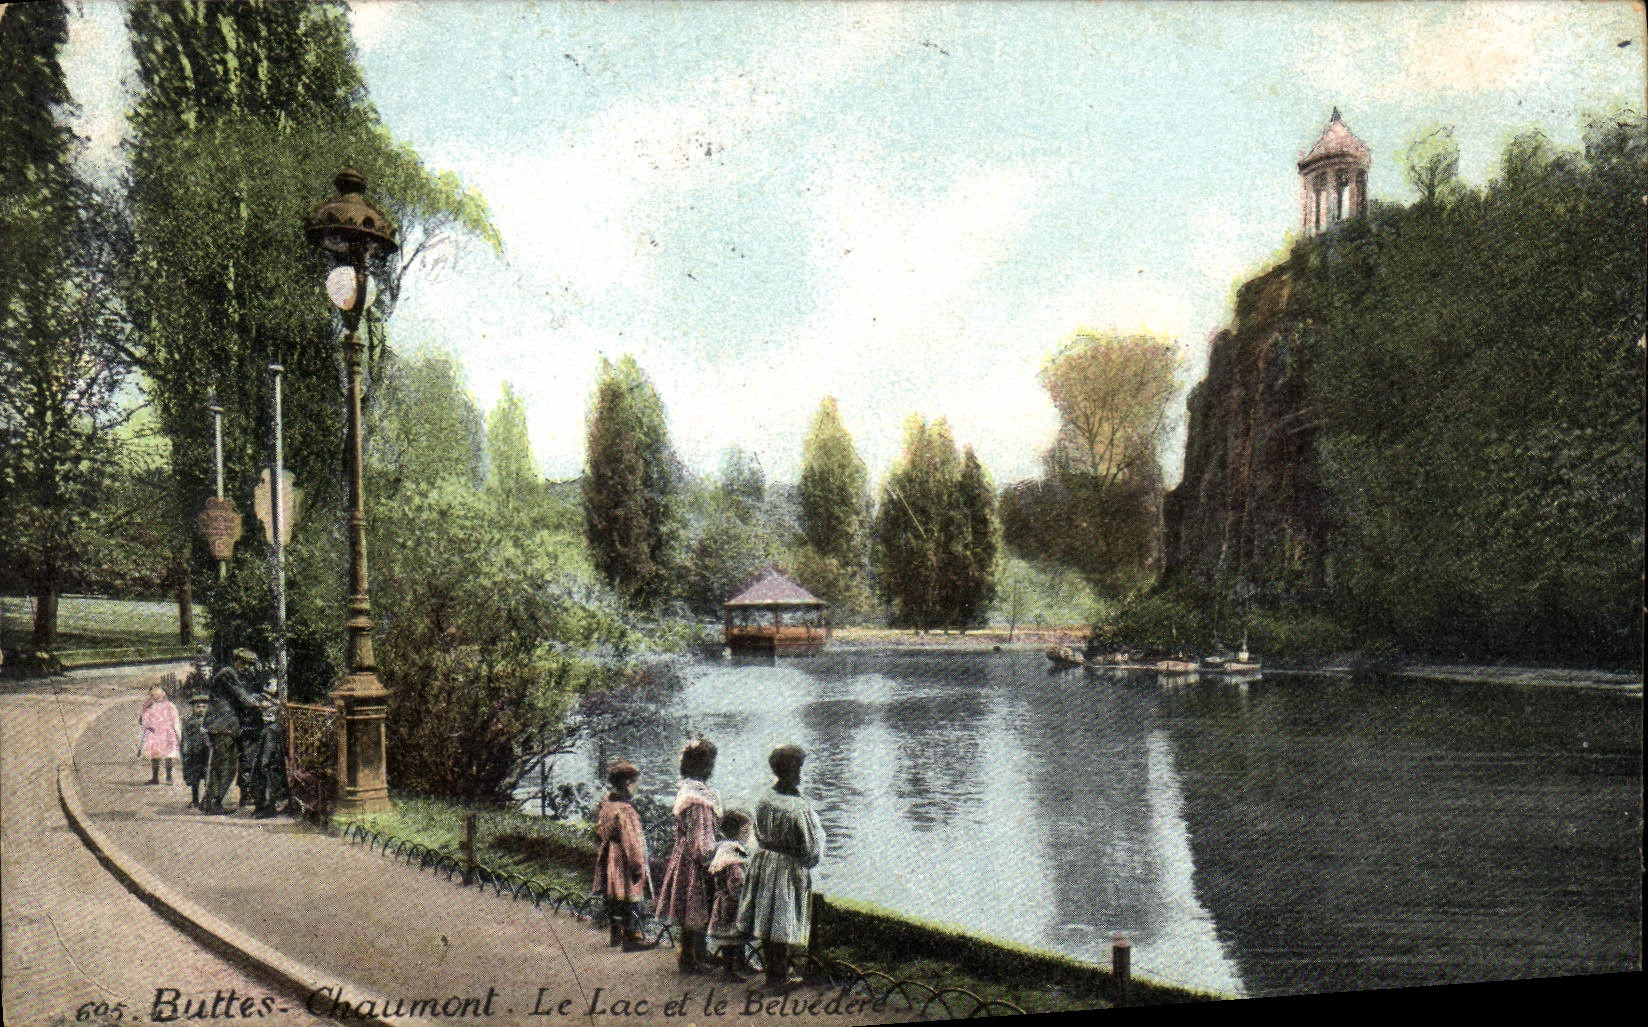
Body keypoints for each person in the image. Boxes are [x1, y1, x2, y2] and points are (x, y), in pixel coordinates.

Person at [736, 743, 824, 992]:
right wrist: (805, 863)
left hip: (764, 862)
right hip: (786, 867)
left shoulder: (764, 798)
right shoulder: (798, 808)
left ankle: (773, 972)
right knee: (782, 919)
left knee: (767, 916)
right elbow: (811, 851)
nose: (800, 774)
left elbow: (757, 832)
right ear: (794, 771)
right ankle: (779, 977)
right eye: (799, 768)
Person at [655, 738, 721, 974]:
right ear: (704, 766)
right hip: (694, 859)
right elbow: (699, 837)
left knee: (692, 907)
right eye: (711, 762)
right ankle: (689, 958)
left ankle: (698, 953)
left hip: (683, 855)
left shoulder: (687, 789)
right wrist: (709, 860)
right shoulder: (699, 800)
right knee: (694, 905)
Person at [592, 760, 659, 952]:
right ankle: (633, 937)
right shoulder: (626, 811)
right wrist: (638, 866)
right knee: (632, 896)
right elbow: (632, 842)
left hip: (609, 856)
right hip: (623, 858)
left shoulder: (607, 805)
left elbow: (599, 833)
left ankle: (616, 933)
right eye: (636, 782)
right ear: (628, 783)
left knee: (615, 896)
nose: (638, 786)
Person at [200, 649, 264, 815]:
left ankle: (210, 801)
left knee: (224, 765)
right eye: (244, 664)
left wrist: (254, 698)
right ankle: (212, 802)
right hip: (222, 726)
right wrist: (259, 701)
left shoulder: (230, 674)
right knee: (225, 766)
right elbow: (244, 699)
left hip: (225, 727)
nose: (246, 668)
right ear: (237, 661)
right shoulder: (228, 673)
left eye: (249, 665)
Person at [707, 808, 754, 980]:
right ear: (737, 832)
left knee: (735, 936)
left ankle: (740, 963)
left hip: (724, 900)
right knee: (730, 937)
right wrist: (744, 898)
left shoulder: (723, 849)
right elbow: (736, 881)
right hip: (731, 903)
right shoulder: (733, 854)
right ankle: (729, 970)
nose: (749, 834)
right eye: (746, 830)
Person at [247, 679, 289, 818]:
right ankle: (262, 806)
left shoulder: (272, 729)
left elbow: (269, 750)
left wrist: (264, 761)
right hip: (265, 756)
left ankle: (268, 807)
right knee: (260, 778)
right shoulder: (267, 728)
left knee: (268, 779)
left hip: (270, 759)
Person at [139, 687, 182, 786]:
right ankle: (155, 778)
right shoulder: (149, 707)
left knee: (169, 755)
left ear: (163, 695)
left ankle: (169, 777)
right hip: (155, 734)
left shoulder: (170, 706)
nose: (154, 697)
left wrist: (178, 735)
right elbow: (143, 721)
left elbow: (175, 720)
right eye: (152, 695)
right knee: (155, 755)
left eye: (156, 695)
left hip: (167, 733)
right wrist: (145, 711)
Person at [180, 692, 212, 808]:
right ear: (193, 708)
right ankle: (194, 799)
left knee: (208, 774)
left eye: (204, 707)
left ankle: (207, 799)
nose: (201, 709)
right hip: (194, 752)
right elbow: (185, 738)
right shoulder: (188, 722)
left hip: (207, 751)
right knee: (195, 777)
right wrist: (186, 751)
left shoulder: (210, 721)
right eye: (198, 707)